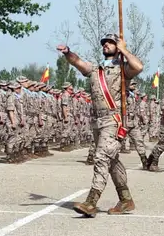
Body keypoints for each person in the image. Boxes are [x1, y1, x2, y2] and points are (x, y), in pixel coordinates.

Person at [57, 32, 144, 217]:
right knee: (112, 161)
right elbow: (78, 62)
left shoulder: (123, 69)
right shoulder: (96, 69)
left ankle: (91, 202)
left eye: (111, 43)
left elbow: (138, 66)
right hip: (98, 121)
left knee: (101, 157)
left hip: (114, 120)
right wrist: (67, 53)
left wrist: (125, 50)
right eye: (104, 42)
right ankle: (126, 199)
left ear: (117, 47)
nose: (106, 45)